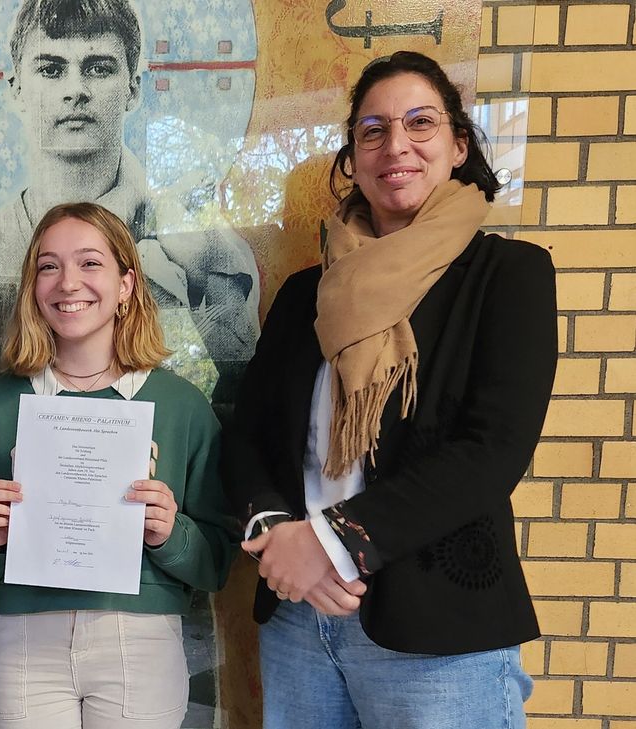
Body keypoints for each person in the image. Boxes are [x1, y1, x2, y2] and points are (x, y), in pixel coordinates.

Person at [224, 51, 557, 728]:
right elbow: (246, 434)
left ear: (458, 145)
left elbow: (490, 452)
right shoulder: (302, 297)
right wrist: (273, 527)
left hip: (435, 635)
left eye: (419, 123)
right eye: (372, 130)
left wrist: (331, 540)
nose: (394, 145)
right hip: (299, 621)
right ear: (351, 156)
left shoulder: (507, 275)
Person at [0, 201, 234, 728]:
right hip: (26, 641)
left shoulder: (182, 407)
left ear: (126, 285)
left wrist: (171, 533)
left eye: (90, 263)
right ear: (33, 288)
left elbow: (217, 560)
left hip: (139, 640)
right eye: (49, 266)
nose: (68, 282)